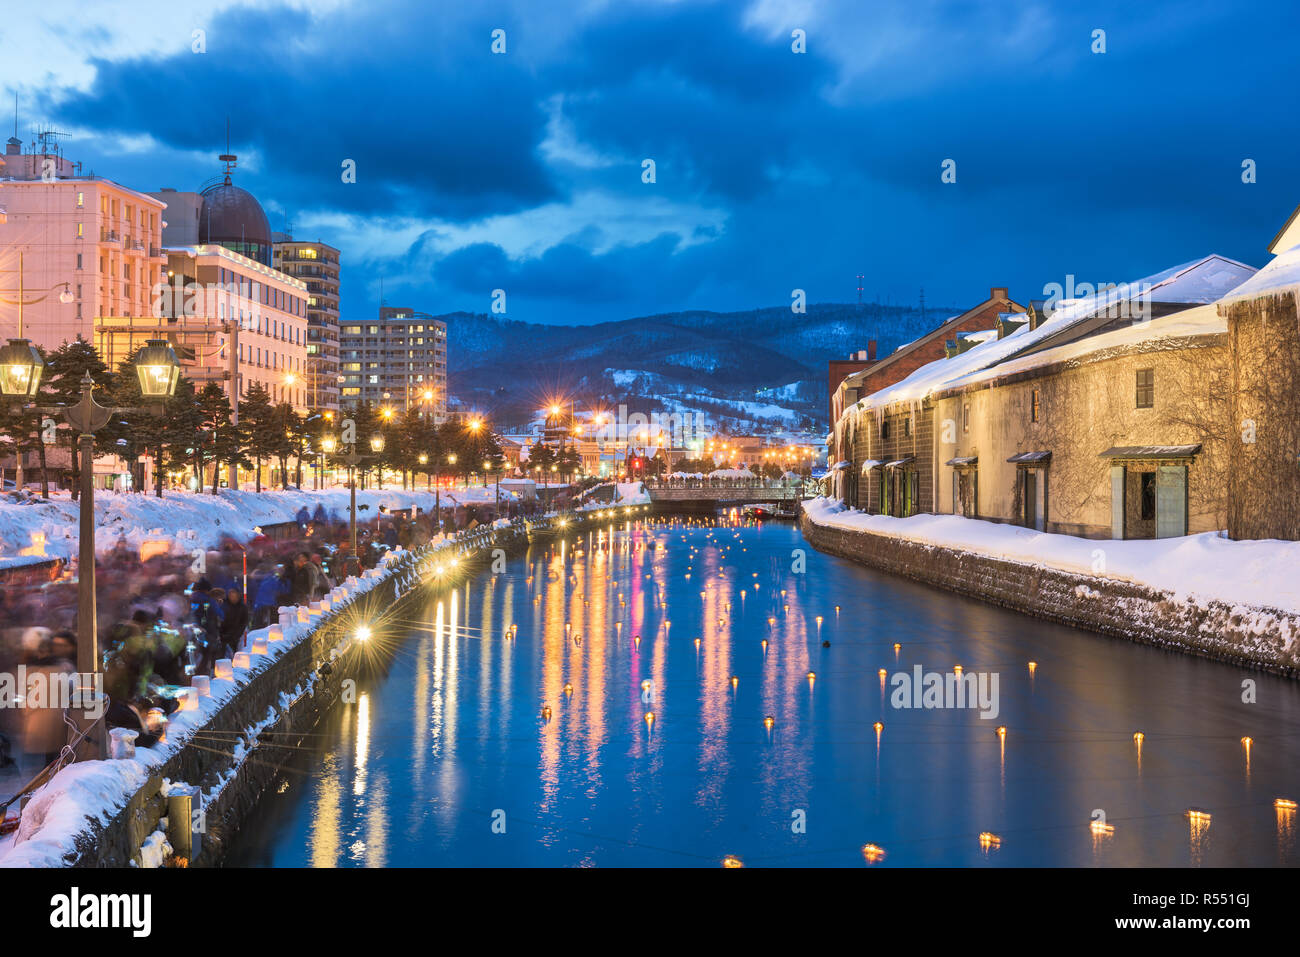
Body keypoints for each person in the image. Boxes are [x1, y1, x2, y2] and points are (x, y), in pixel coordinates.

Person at [252, 563, 290, 628]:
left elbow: (285, 591)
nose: (278, 571)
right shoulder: (267, 576)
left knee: (270, 624)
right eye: (277, 568)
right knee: (258, 623)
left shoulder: (283, 580)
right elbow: (254, 581)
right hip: (260, 604)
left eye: (281, 569)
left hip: (272, 606)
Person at [219, 588, 249, 656]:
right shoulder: (223, 605)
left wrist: (236, 635)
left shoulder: (242, 607)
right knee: (221, 653)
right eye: (230, 595)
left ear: (238, 596)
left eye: (234, 596)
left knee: (235, 653)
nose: (232, 598)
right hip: (223, 635)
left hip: (235, 635)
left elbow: (244, 622)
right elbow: (219, 619)